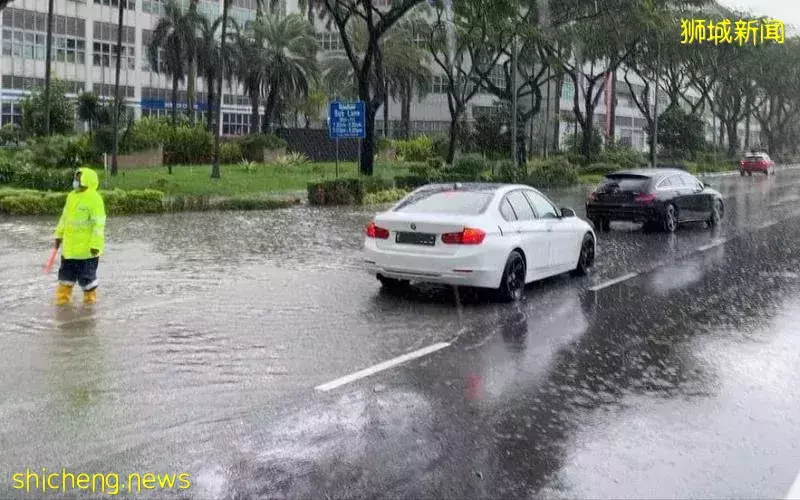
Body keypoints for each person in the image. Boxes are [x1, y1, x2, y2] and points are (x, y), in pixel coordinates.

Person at [53, 167, 106, 306]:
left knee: (88, 283)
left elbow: (99, 224)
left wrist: (95, 245)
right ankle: (62, 306)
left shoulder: (94, 198)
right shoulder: (71, 196)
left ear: (86, 180)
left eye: (78, 178)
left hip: (86, 253)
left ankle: (90, 308)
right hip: (69, 251)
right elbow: (64, 218)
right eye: (75, 178)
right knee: (65, 280)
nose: (75, 181)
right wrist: (58, 235)